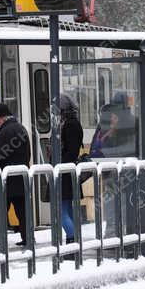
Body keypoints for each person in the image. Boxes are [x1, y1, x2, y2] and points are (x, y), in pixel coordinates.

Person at [0, 103, 30, 246]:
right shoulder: (21, 128)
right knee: (22, 210)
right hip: (21, 176)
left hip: (7, 178)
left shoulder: (5, 131)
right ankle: (28, 237)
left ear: (2, 118)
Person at [58, 94, 83, 243]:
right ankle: (74, 239)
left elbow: (71, 151)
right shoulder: (70, 122)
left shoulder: (70, 125)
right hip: (66, 172)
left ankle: (72, 239)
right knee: (67, 209)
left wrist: (60, 163)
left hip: (65, 172)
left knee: (61, 211)